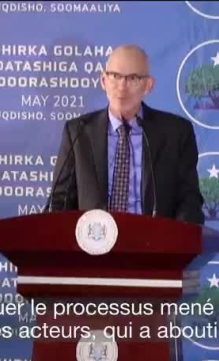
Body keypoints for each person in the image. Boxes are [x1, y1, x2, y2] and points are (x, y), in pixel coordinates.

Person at [47, 44, 205, 225]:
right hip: (93, 238)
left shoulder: (176, 133)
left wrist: (175, 238)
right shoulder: (79, 131)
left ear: (148, 85)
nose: (122, 86)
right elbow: (59, 202)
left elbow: (189, 200)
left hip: (152, 239)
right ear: (103, 81)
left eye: (133, 78)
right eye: (115, 76)